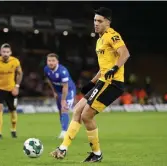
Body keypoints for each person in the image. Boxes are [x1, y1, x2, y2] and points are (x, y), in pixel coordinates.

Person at [50, 7, 130, 162]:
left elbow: (125, 53)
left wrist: (115, 68)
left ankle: (96, 154)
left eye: (100, 21)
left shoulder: (112, 35)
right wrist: (91, 83)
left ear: (108, 22)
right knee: (78, 110)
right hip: (102, 81)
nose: (96, 24)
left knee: (87, 115)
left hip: (113, 83)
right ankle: (63, 149)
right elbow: (103, 68)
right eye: (94, 20)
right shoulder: (99, 41)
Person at [0, 43, 23, 139]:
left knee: (13, 110)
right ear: (0, 52)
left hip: (11, 89)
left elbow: (20, 73)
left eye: (7, 52)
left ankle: (13, 130)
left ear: (10, 52)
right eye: (4, 52)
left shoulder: (15, 61)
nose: (5, 54)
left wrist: (17, 86)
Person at [44, 53, 76, 139]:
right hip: (58, 91)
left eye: (53, 61)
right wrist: (54, 91)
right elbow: (49, 80)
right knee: (60, 112)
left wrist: (63, 99)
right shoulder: (46, 69)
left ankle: (64, 132)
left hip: (68, 91)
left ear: (57, 61)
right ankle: (65, 129)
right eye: (49, 61)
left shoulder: (63, 71)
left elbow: (65, 86)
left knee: (64, 109)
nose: (51, 63)